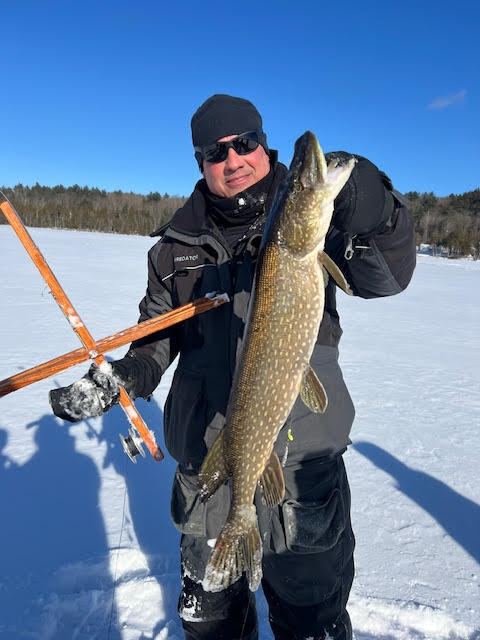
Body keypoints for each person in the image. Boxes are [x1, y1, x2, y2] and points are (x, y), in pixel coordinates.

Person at [49, 94, 416, 640]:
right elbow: (156, 338)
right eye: (215, 152)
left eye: (244, 143)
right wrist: (124, 377)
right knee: (210, 622)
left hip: (301, 465)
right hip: (209, 462)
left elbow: (386, 275)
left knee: (312, 621)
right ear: (200, 163)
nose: (233, 160)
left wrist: (376, 208)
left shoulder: (312, 223)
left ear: (264, 145)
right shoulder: (175, 248)